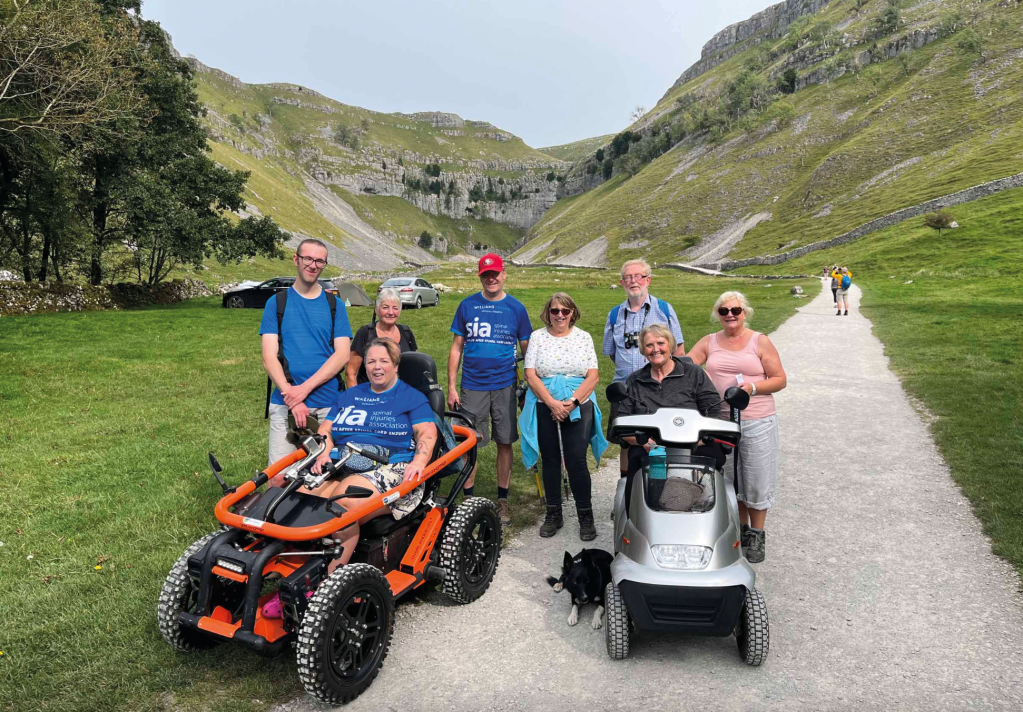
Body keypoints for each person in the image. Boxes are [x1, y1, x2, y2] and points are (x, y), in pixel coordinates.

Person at [261, 339, 438, 618]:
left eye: (383, 361)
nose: (376, 367)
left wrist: (418, 461)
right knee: (296, 499)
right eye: (371, 361)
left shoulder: (411, 397)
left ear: (395, 365)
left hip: (392, 467)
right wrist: (324, 450)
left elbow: (427, 432)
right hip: (343, 461)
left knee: (342, 503)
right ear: (364, 365)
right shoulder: (350, 396)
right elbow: (326, 431)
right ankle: (289, 577)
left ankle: (323, 591)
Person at [687, 291, 787, 564]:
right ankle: (740, 528)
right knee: (731, 477)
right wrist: (704, 375)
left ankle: (757, 533)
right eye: (724, 310)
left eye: (735, 310)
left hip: (756, 418)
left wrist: (752, 387)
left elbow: (779, 379)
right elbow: (686, 364)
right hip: (721, 420)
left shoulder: (760, 341)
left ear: (745, 313)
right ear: (717, 314)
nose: (730, 314)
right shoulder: (709, 342)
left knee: (756, 475)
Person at [447, 253, 532, 526]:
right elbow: (456, 347)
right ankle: (469, 499)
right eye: (486, 275)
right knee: (469, 442)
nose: (491, 278)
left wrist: (529, 387)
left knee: (504, 442)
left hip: (505, 386)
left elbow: (526, 350)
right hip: (472, 386)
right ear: (480, 277)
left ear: (503, 274)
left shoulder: (516, 308)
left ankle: (503, 501)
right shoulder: (467, 305)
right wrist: (451, 385)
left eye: (495, 273)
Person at [519, 293, 608, 541]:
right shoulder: (537, 337)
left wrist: (571, 403)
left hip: (578, 403)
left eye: (565, 311)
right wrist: (551, 403)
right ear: (548, 312)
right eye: (555, 310)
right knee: (550, 460)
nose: (559, 315)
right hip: (545, 402)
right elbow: (531, 374)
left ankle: (585, 515)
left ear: (572, 313)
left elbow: (593, 376)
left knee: (577, 459)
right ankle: (553, 513)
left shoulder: (584, 337)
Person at [261, 238, 352, 466]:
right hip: (286, 404)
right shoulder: (276, 303)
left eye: (319, 261)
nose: (313, 265)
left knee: (327, 475)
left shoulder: (335, 305)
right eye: (308, 259)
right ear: (296, 259)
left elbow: (342, 354)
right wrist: (293, 398)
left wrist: (303, 390)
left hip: (328, 405)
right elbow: (269, 357)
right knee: (279, 478)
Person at [616, 324, 721, 517]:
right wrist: (647, 444)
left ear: (670, 345)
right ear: (643, 350)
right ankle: (638, 521)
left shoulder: (693, 374)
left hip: (694, 443)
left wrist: (699, 439)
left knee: (713, 458)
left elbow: (713, 409)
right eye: (649, 345)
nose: (655, 349)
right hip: (652, 446)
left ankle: (707, 518)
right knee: (641, 463)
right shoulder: (635, 381)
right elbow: (623, 422)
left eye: (660, 343)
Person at [603, 259, 685, 479]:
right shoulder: (614, 315)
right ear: (621, 283)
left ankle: (667, 485)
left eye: (638, 276)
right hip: (625, 389)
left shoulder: (665, 310)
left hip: (661, 388)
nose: (633, 281)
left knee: (667, 436)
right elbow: (612, 353)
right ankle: (626, 490)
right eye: (628, 277)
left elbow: (679, 350)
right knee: (626, 442)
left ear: (648, 280)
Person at [346, 287, 418, 387]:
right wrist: (354, 400)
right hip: (370, 397)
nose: (391, 312)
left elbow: (414, 369)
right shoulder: (365, 333)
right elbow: (351, 373)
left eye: (395, 308)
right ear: (376, 309)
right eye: (385, 307)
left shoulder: (406, 332)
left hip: (400, 397)